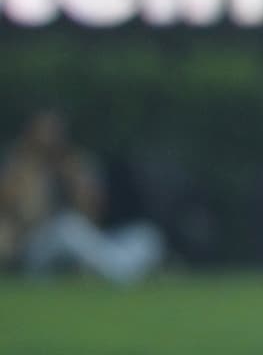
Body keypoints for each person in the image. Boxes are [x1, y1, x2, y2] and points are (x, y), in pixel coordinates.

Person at [0, 108, 164, 285]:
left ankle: (116, 269)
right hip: (36, 247)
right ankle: (120, 274)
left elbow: (92, 216)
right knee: (67, 227)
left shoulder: (73, 165)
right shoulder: (19, 169)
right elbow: (15, 215)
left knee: (147, 235)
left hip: (82, 242)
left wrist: (76, 183)